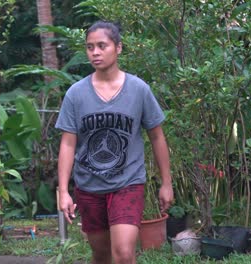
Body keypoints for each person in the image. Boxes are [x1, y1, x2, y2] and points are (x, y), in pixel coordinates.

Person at [55, 20, 173, 264]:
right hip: (89, 186)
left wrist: (167, 183)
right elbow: (67, 144)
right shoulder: (76, 94)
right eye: (89, 47)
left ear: (118, 48)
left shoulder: (139, 90)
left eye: (101, 46)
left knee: (124, 254)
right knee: (101, 255)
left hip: (127, 183)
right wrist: (64, 191)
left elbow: (157, 136)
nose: (95, 52)